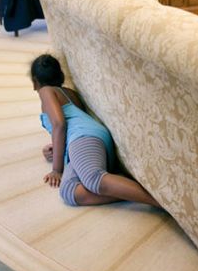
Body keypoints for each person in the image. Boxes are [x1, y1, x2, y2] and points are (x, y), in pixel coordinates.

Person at [31, 54, 161, 208]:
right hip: (92, 137)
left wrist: (57, 169)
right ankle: (126, 188)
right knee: (69, 192)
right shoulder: (69, 93)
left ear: (35, 81)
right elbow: (76, 121)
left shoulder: (46, 91)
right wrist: (55, 146)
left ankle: (162, 203)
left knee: (93, 179)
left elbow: (59, 125)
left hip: (83, 137)